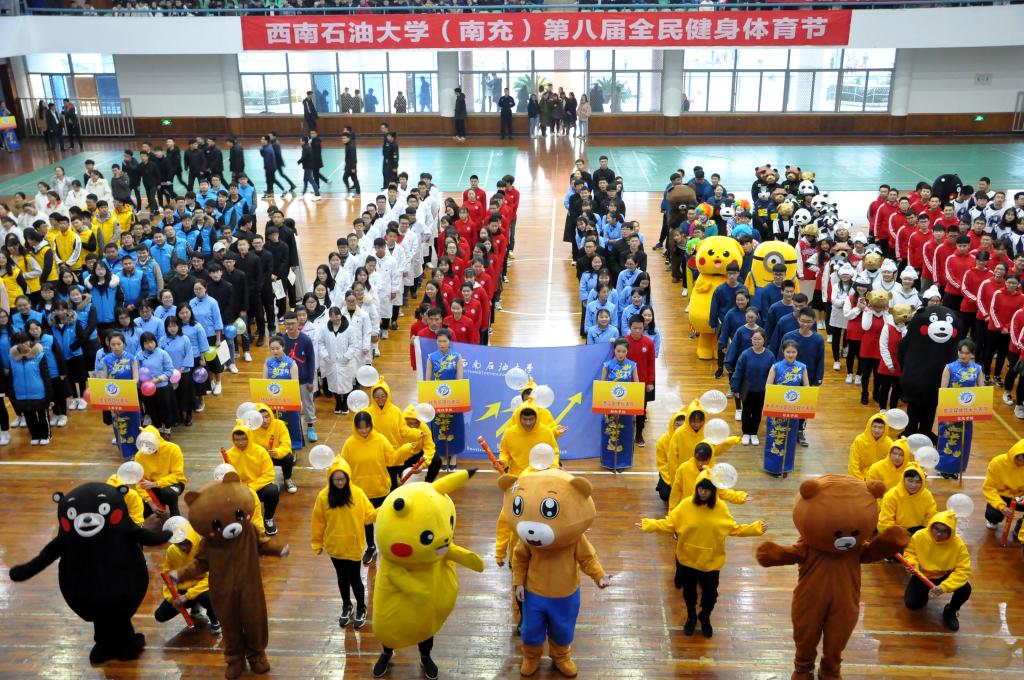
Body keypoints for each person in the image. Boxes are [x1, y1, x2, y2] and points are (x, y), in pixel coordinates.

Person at [640, 469, 765, 638]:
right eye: (700, 488)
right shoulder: (685, 505)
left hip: (711, 563)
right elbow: (670, 523)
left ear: (714, 490)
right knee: (689, 593)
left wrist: (755, 528)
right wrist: (649, 525)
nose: (703, 492)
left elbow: (733, 529)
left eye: (707, 489)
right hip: (688, 560)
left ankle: (705, 616)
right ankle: (691, 616)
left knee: (711, 595)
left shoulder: (721, 508)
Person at [340, 411, 419, 564]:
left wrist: (406, 449)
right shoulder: (349, 444)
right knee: (366, 522)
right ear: (355, 427)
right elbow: (344, 467)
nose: (364, 430)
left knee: (385, 519)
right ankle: (371, 547)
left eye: (366, 427)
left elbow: (392, 459)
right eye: (360, 427)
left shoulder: (380, 440)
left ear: (371, 425)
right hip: (361, 492)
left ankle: (389, 545)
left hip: (380, 488)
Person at [311, 457, 377, 630]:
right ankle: (346, 605)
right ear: (330, 480)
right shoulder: (323, 496)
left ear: (348, 478)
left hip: (353, 545)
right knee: (341, 577)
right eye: (336, 480)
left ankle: (361, 607)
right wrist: (317, 542)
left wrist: (383, 511)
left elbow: (368, 516)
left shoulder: (358, 493)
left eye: (342, 479)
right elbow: (318, 521)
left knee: (355, 578)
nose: (340, 483)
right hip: (335, 546)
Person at [902, 512, 972, 631]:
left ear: (951, 532)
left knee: (965, 589)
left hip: (945, 574)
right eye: (936, 529)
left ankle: (951, 610)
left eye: (944, 531)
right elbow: (910, 553)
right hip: (922, 574)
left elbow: (963, 571)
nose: (939, 534)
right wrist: (913, 565)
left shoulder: (958, 545)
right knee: (912, 604)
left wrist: (944, 587)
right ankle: (923, 594)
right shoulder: (919, 536)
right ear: (931, 526)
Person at [936, 339, 984, 479]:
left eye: (967, 353)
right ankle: (943, 468)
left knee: (963, 441)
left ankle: (957, 468)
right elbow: (943, 390)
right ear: (958, 352)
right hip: (950, 410)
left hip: (967, 411)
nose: (963, 356)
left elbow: (981, 391)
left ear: (972, 354)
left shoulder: (977, 369)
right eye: (961, 352)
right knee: (947, 439)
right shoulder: (949, 368)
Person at [225, 418, 281, 535]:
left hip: (258, 487)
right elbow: (228, 476)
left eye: (244, 439)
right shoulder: (229, 455)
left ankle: (268, 519)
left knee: (273, 490)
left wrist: (251, 487)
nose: (240, 442)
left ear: (249, 437)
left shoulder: (260, 451)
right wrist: (241, 488)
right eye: (237, 440)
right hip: (240, 489)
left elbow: (269, 474)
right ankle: (239, 522)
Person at [763, 339, 809, 477]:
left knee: (790, 438)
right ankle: (773, 468)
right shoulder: (775, 367)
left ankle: (786, 467)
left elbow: (807, 389)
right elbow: (768, 387)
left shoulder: (802, 367)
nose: (790, 354)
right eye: (788, 352)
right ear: (783, 351)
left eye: (793, 352)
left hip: (793, 408)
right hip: (777, 407)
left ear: (797, 353)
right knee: (775, 437)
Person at [426, 329, 465, 471]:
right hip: (437, 398)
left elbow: (459, 380)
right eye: (439, 341)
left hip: (453, 397)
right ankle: (442, 456)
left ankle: (453, 455)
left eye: (444, 341)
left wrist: (457, 394)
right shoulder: (431, 357)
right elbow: (428, 381)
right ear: (436, 342)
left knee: (455, 426)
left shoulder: (457, 357)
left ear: (450, 342)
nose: (442, 344)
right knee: (439, 427)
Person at [600, 338, 639, 471]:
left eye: (623, 351)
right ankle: (609, 462)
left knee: (625, 434)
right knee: (609, 434)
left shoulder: (632, 365)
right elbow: (602, 386)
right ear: (614, 351)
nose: (621, 354)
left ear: (627, 351)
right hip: (610, 406)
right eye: (618, 351)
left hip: (626, 407)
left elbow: (637, 387)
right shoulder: (607, 365)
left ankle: (622, 462)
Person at [730, 329, 774, 446]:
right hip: (747, 388)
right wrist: (735, 388)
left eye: (759, 339)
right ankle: (746, 433)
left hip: (762, 389)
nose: (757, 341)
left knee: (757, 412)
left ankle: (754, 433)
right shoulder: (745, 354)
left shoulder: (770, 355)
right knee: (746, 411)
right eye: (754, 339)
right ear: (751, 340)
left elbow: (773, 373)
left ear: (764, 340)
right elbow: (738, 371)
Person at [101, 330, 140, 458]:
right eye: (113, 344)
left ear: (124, 344)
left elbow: (136, 379)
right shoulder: (106, 359)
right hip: (114, 398)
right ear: (109, 345)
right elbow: (104, 380)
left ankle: (137, 452)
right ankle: (126, 453)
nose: (116, 347)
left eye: (119, 344)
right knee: (119, 424)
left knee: (133, 423)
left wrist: (125, 388)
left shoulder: (132, 358)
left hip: (129, 395)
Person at [10, 331, 52, 445]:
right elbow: (11, 377)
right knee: (29, 417)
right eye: (19, 343)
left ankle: (46, 435)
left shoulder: (39, 355)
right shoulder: (12, 358)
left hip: (39, 393)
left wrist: (49, 394)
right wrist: (12, 394)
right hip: (21, 394)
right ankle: (35, 435)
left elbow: (46, 376)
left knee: (42, 415)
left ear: (29, 341)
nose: (22, 345)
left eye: (24, 342)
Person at [134, 425, 187, 517]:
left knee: (169, 493)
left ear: (158, 440)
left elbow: (177, 475)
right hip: (151, 487)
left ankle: (174, 511)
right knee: (141, 511)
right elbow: (140, 483)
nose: (148, 448)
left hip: (173, 484)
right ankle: (159, 504)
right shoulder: (139, 456)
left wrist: (156, 484)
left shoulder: (173, 449)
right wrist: (151, 503)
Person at [250, 403, 297, 495]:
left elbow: (286, 444)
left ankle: (287, 479)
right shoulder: (252, 428)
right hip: (261, 457)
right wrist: (262, 454)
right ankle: (264, 481)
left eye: (267, 417)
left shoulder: (279, 424)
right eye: (261, 418)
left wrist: (276, 452)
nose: (265, 420)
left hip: (275, 455)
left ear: (271, 415)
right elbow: (251, 447)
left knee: (289, 457)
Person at [877, 463, 936, 536]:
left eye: (918, 482)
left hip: (918, 531)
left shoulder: (926, 495)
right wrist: (902, 534)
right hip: (896, 532)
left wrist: (922, 531)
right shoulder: (891, 495)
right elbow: (885, 522)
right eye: (910, 481)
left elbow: (931, 516)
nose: (913, 485)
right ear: (903, 480)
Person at [982, 442, 1024, 536]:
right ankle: (993, 520)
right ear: (1014, 455)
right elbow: (989, 488)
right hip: (1001, 495)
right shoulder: (997, 462)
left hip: (1020, 496)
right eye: (1019, 460)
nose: (1021, 464)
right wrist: (1001, 507)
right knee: (993, 515)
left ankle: (1021, 526)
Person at [848, 413, 893, 480]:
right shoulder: (859, 440)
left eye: (880, 427)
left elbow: (891, 466)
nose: (877, 430)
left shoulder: (889, 443)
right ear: (869, 426)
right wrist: (861, 480)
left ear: (885, 429)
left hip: (879, 477)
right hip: (861, 476)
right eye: (874, 426)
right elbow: (853, 464)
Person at [341, 131, 360, 198]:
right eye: (342, 138)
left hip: (350, 167)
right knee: (354, 179)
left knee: (345, 178)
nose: (343, 140)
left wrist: (353, 168)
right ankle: (357, 192)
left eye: (344, 138)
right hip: (349, 166)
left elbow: (353, 157)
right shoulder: (348, 144)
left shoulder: (350, 146)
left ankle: (350, 191)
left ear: (348, 138)